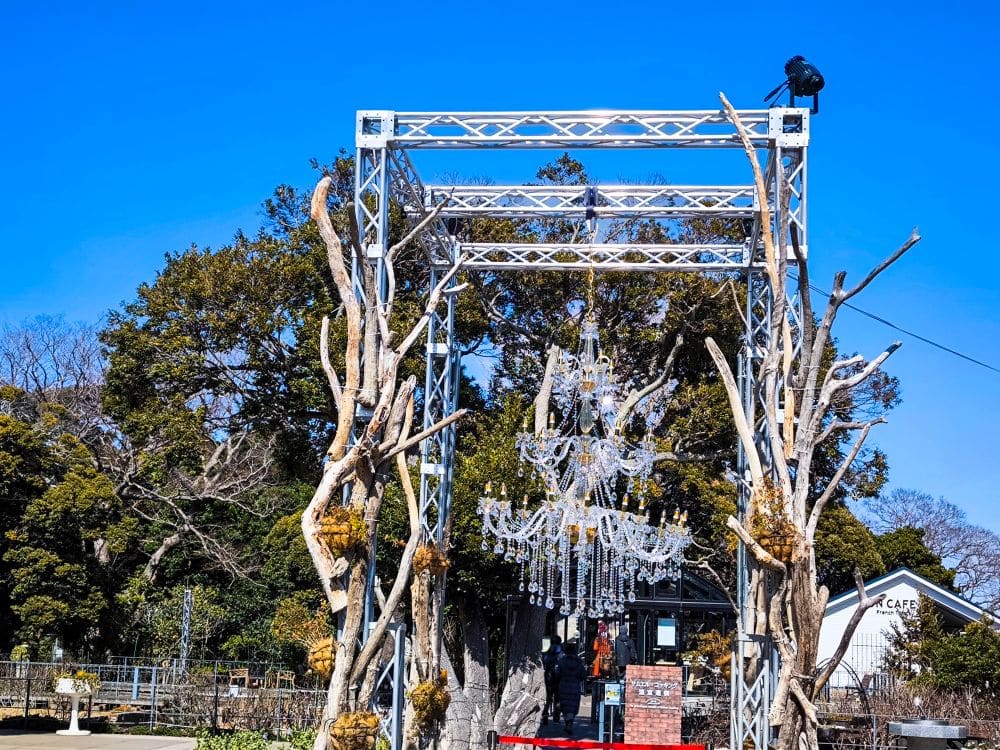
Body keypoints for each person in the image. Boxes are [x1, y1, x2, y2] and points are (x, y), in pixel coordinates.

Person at [556, 641, 587, 736]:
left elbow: (557, 674)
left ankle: (567, 723)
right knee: (573, 706)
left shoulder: (562, 661)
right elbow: (583, 675)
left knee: (565, 705)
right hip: (575, 686)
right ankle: (570, 723)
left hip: (563, 686)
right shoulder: (579, 662)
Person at [541, 635, 562, 725]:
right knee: (558, 697)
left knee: (548, 697)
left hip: (548, 675)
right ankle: (556, 717)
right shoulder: (561, 652)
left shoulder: (548, 651)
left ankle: (545, 714)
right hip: (558, 677)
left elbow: (544, 661)